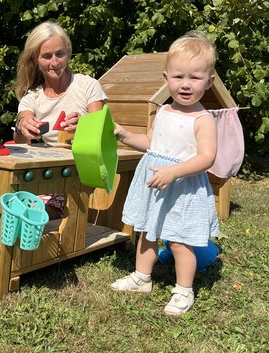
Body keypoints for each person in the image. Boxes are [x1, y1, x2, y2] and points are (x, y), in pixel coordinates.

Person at [110, 30, 220, 316]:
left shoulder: (202, 119)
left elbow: (207, 157)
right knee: (147, 232)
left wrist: (174, 172)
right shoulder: (162, 111)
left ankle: (184, 290)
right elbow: (151, 144)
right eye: (179, 76)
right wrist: (123, 134)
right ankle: (141, 277)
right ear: (166, 78)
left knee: (179, 239)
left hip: (182, 187)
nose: (185, 84)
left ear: (209, 82)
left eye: (195, 78)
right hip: (155, 183)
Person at [13, 21, 108, 218]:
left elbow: (104, 131)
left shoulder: (87, 85)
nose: (55, 62)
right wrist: (23, 126)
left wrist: (85, 126)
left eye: (60, 54)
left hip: (82, 173)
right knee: (10, 203)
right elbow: (23, 125)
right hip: (49, 174)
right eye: (47, 56)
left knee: (29, 212)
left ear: (68, 52)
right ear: (35, 59)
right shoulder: (33, 95)